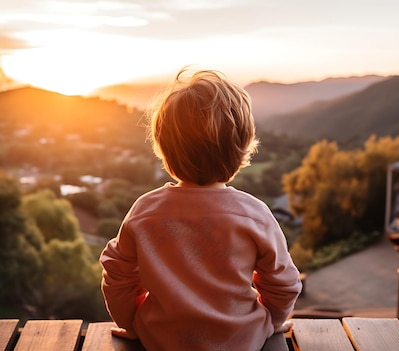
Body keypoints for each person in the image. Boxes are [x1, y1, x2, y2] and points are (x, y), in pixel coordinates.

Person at [99, 68, 302, 351]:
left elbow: (117, 275)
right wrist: (270, 322)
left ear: (165, 153)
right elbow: (284, 284)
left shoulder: (146, 211)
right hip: (243, 342)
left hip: (160, 342)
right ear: (242, 150)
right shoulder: (254, 214)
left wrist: (132, 323)